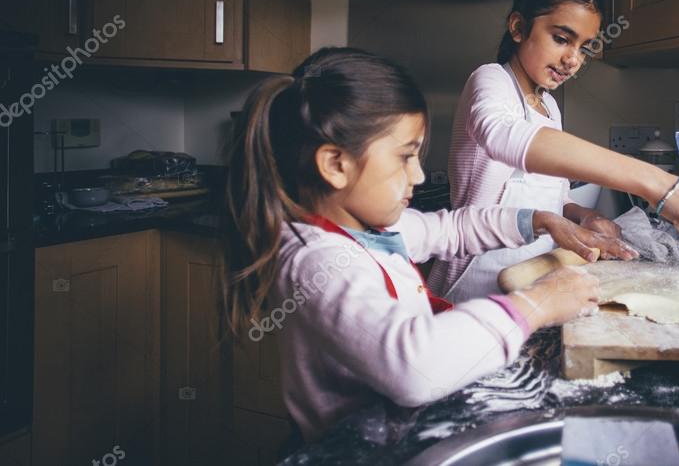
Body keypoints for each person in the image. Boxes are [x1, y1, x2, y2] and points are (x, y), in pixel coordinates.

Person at [219, 47, 636, 443]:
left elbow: (451, 229)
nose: (419, 176)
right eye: (405, 157)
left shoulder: (372, 228)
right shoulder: (319, 262)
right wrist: (537, 304)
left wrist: (537, 220)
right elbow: (415, 366)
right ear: (335, 165)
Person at [429, 0, 679, 301]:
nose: (573, 60)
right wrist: (659, 185)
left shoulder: (549, 107)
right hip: (471, 288)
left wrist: (587, 217)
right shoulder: (490, 80)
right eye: (561, 39)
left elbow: (554, 198)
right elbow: (503, 136)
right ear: (518, 27)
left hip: (533, 283)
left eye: (585, 48)